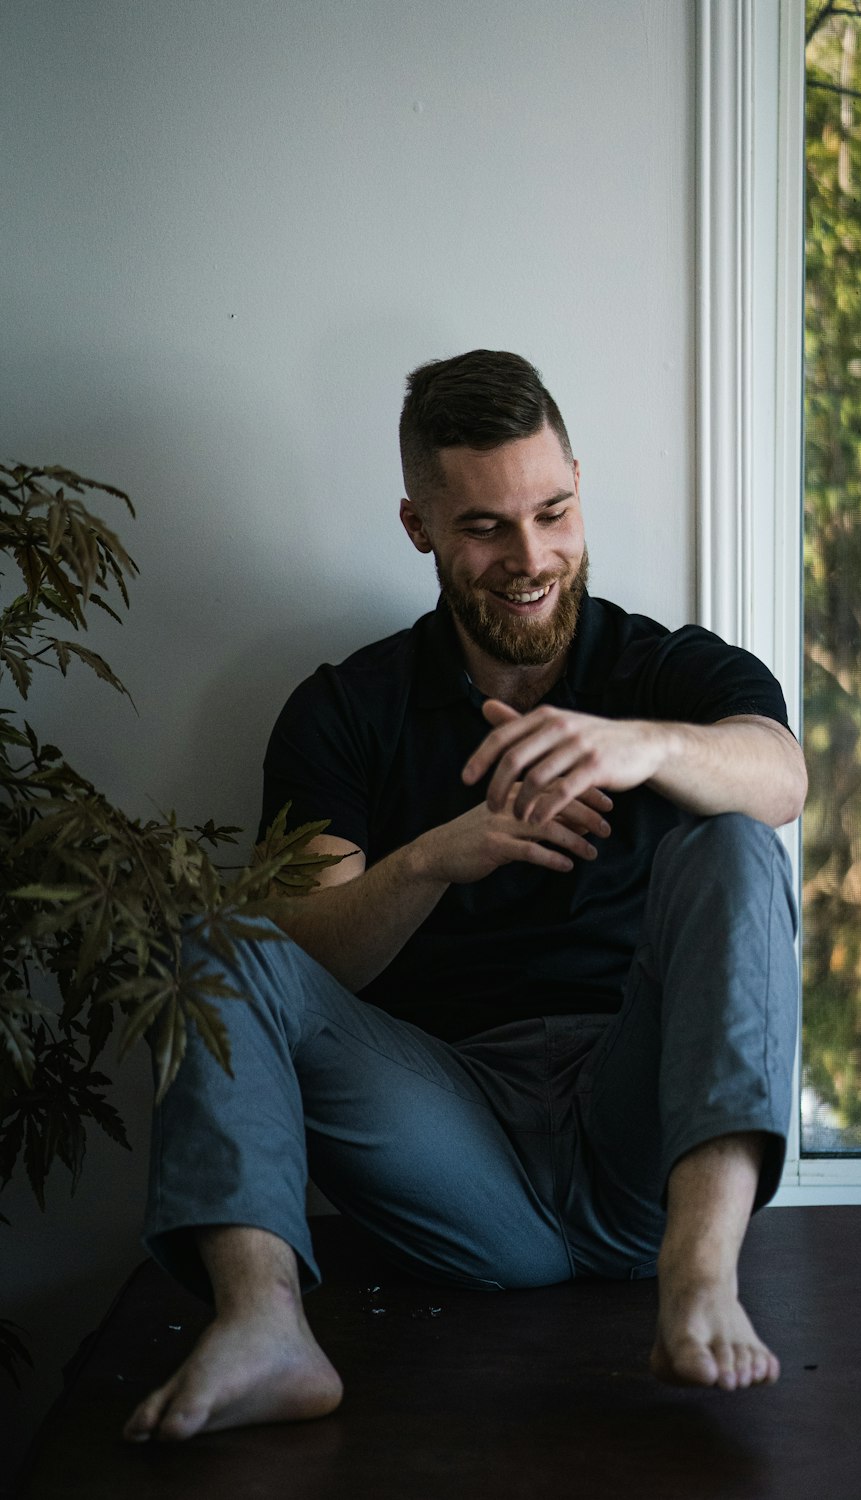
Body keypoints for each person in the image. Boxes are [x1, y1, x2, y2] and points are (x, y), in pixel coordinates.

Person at [124, 349, 806, 1444]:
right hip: (454, 1140)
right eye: (485, 527)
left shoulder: (667, 669)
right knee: (222, 937)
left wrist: (630, 746)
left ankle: (700, 1279)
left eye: (554, 511)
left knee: (735, 840)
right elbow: (304, 959)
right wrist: (445, 854)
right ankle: (263, 1329)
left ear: (579, 485)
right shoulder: (344, 711)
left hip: (639, 1139)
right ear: (420, 527)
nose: (529, 557)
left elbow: (781, 780)